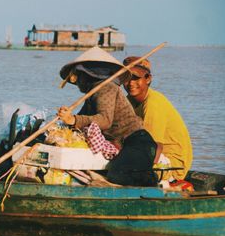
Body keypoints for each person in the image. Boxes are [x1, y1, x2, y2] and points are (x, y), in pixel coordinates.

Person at [57, 46, 158, 186]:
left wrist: (73, 119)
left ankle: (155, 183)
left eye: (77, 77)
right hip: (124, 145)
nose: (77, 83)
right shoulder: (92, 94)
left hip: (138, 142)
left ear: (87, 75)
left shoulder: (106, 88)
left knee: (117, 174)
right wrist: (64, 124)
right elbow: (81, 119)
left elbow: (105, 120)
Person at [123, 56, 193, 182]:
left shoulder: (153, 103)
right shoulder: (128, 101)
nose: (131, 83)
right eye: (126, 78)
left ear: (148, 79)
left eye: (136, 78)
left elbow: (153, 147)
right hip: (151, 152)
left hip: (171, 164)